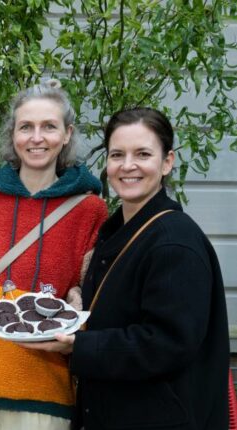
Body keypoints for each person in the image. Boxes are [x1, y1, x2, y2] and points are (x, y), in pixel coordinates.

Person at [22, 107, 229, 429]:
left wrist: (79, 345)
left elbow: (166, 343)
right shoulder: (119, 231)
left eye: (143, 154)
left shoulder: (174, 243)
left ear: (167, 162)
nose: (128, 166)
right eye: (117, 154)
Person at [0, 80, 108, 429]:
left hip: (42, 387)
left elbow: (93, 298)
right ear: (13, 134)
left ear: (67, 134)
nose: (36, 137)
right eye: (26, 127)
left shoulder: (89, 209)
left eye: (49, 126)